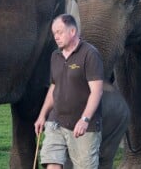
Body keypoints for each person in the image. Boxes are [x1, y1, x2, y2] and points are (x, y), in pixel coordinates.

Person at [34, 14, 104, 169]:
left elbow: (97, 92)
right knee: (51, 163)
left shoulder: (90, 54)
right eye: (54, 34)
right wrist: (42, 115)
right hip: (56, 121)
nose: (56, 37)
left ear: (72, 31)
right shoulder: (55, 56)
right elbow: (54, 86)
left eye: (59, 32)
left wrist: (85, 119)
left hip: (83, 125)